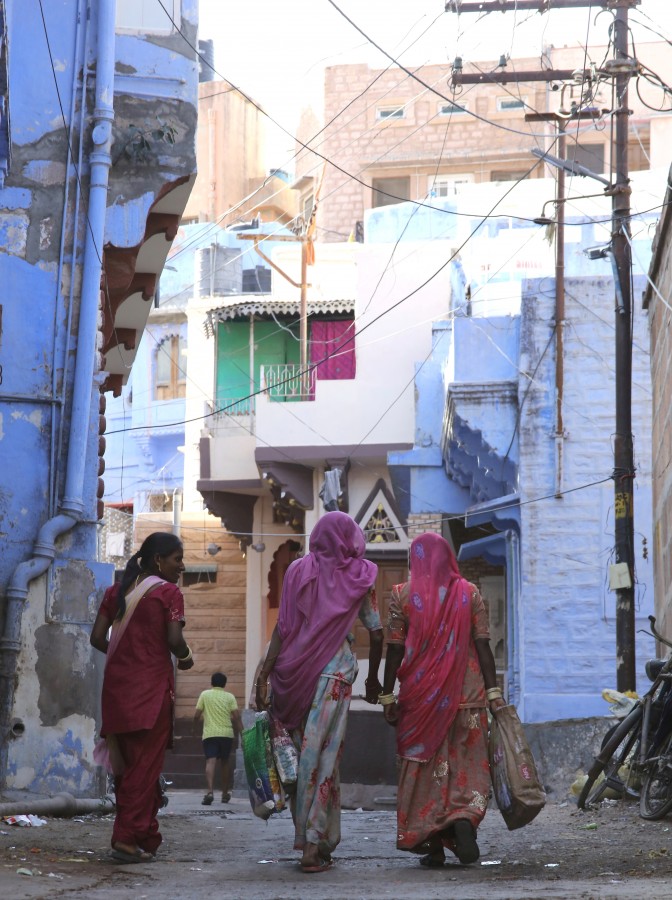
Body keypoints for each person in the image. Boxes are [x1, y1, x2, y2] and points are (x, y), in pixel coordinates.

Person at [256, 511, 383, 874]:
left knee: (302, 761)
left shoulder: (297, 570)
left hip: (291, 675)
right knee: (323, 760)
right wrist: (374, 679)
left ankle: (320, 840)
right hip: (336, 674)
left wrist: (264, 675)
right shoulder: (361, 575)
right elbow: (375, 631)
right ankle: (312, 846)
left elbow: (282, 627)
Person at [381, 532, 505, 868]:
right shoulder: (470, 592)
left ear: (415, 561)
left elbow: (393, 648)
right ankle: (463, 816)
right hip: (469, 697)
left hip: (420, 700)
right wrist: (494, 694)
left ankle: (433, 844)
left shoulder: (402, 595)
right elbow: (483, 645)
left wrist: (386, 693)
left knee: (424, 771)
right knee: (464, 766)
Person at [90, 532, 194, 864]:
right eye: (177, 559)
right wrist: (187, 656)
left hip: (117, 690)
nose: (181, 565)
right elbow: (174, 639)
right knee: (144, 766)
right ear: (158, 561)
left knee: (126, 765)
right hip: (151, 690)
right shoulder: (168, 593)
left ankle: (143, 834)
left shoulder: (115, 592)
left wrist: (124, 658)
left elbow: (96, 638)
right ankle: (125, 838)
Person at [194, 672, 243, 805]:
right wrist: (243, 734)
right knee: (225, 762)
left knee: (211, 761)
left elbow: (197, 714)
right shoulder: (230, 697)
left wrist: (194, 728)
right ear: (224, 684)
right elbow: (237, 717)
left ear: (212, 682)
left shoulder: (205, 695)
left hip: (210, 734)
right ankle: (225, 793)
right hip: (226, 734)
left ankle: (210, 792)